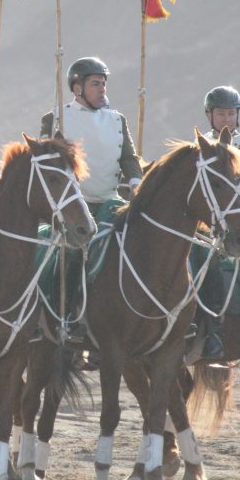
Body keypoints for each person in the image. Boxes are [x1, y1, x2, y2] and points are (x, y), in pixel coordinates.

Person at [39, 56, 144, 342]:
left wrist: (136, 180)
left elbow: (128, 157)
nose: (102, 89)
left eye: (103, 84)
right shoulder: (56, 118)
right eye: (95, 84)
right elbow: (44, 164)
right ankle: (67, 316)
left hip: (111, 202)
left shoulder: (117, 120)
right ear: (77, 88)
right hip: (72, 208)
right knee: (71, 255)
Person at [199, 85, 240, 362]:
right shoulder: (198, 147)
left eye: (231, 113)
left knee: (210, 264)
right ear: (209, 116)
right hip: (205, 220)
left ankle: (214, 333)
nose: (226, 119)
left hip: (233, 219)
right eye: (221, 114)